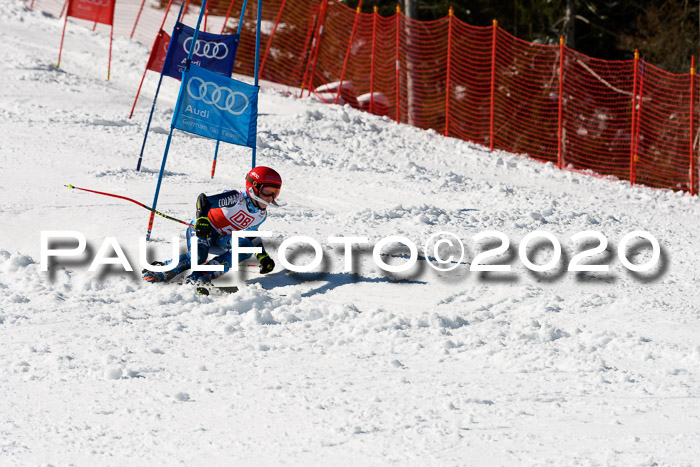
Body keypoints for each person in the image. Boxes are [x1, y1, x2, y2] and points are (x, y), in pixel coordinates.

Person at [142, 166, 282, 285]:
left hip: (221, 239)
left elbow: (251, 235)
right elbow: (203, 200)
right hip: (204, 230)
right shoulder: (235, 198)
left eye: (275, 192)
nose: (271, 197)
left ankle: (201, 276)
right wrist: (202, 220)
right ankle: (161, 270)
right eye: (267, 191)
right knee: (199, 256)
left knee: (245, 247)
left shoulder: (261, 215)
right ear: (254, 188)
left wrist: (263, 257)